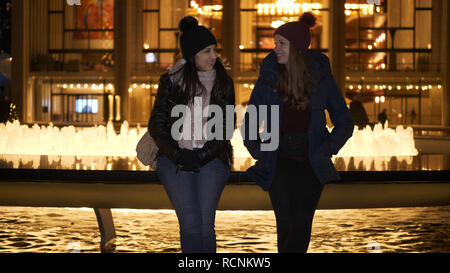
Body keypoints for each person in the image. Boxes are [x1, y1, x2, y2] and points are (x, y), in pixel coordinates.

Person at [241, 13, 354, 253]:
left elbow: (344, 123)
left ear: (297, 47)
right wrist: (259, 150)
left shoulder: (322, 79)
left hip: (311, 161)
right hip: (277, 160)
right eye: (275, 43)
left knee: (302, 223)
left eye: (281, 43)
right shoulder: (269, 77)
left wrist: (327, 149)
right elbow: (251, 119)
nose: (275, 48)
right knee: (285, 224)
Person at [148, 16, 235, 253]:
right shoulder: (171, 81)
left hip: (212, 158)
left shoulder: (224, 83)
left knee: (205, 225)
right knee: (189, 226)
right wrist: (178, 155)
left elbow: (225, 129)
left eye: (214, 50)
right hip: (174, 159)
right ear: (191, 54)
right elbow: (156, 125)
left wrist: (200, 156)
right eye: (206, 51)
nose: (213, 56)